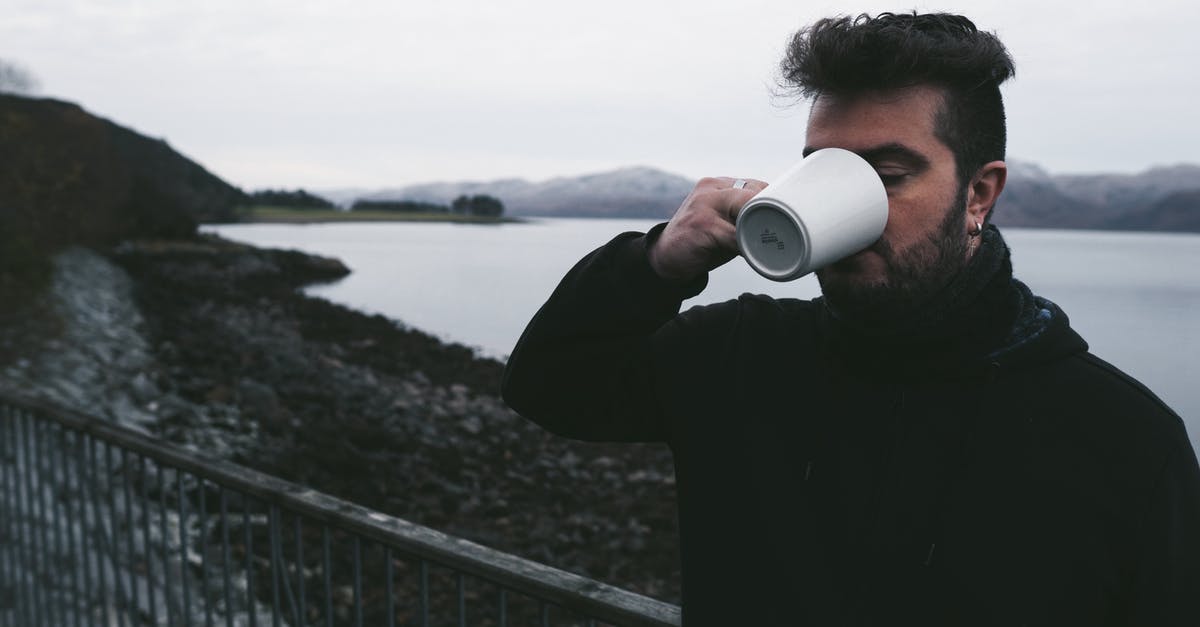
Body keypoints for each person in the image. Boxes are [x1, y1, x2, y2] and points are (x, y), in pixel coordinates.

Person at [502, 12, 1200, 626]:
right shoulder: (741, 357)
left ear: (979, 194)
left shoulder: (1124, 442)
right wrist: (656, 261)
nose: (849, 201)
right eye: (825, 168)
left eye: (889, 175)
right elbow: (548, 384)